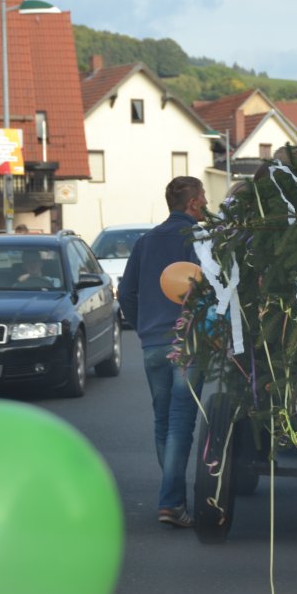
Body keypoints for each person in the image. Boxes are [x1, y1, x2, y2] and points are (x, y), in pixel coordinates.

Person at [119, 176, 208, 528]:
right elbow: (211, 288)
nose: (206, 202)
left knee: (163, 420)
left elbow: (126, 293)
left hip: (153, 343)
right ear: (193, 203)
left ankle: (173, 497)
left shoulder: (145, 242)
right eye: (203, 196)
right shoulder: (197, 240)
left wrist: (143, 327)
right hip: (188, 342)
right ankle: (171, 502)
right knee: (180, 422)